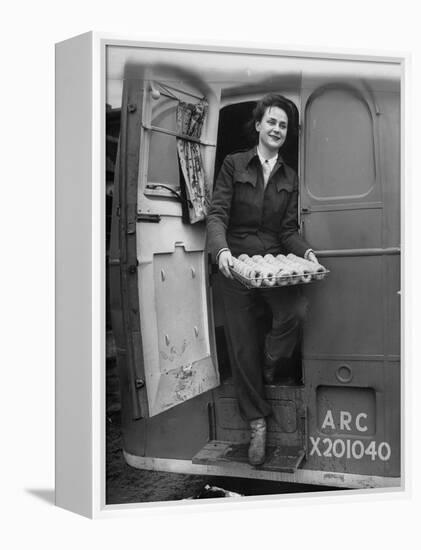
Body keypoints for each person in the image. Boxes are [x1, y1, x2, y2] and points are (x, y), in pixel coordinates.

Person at [206, 93, 319, 466]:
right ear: (258, 125)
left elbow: (287, 230)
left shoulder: (290, 176)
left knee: (295, 311)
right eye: (271, 122)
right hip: (235, 262)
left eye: (283, 125)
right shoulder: (233, 164)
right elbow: (218, 213)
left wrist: (305, 252)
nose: (277, 129)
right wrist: (221, 251)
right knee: (241, 345)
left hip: (272, 259)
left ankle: (271, 364)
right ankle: (257, 422)